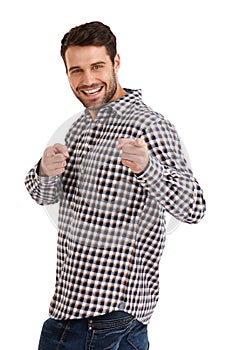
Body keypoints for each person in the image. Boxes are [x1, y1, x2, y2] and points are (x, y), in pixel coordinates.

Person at [25, 21, 206, 350]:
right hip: (65, 313)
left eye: (97, 66)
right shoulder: (77, 129)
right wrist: (43, 171)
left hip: (109, 321)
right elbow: (45, 197)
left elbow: (194, 209)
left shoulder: (149, 125)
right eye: (76, 70)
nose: (88, 80)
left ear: (116, 63)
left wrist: (148, 168)